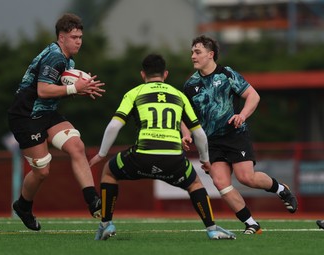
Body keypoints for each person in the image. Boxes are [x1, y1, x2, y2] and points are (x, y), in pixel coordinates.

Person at [89, 53, 236, 241]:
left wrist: (101, 153)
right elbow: (199, 134)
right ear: (165, 74)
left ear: (143, 75)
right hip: (173, 159)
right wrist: (205, 161)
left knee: (109, 171)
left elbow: (115, 125)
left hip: (141, 157)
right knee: (195, 184)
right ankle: (212, 228)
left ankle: (106, 224)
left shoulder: (134, 93)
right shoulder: (179, 96)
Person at [181, 35, 298, 235]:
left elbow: (253, 95)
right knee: (221, 184)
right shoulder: (190, 85)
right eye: (192, 52)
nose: (193, 56)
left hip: (235, 135)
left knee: (246, 178)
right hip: (212, 141)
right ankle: (252, 224)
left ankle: (280, 189)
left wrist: (241, 115)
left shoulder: (227, 74)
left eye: (197, 52)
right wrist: (186, 134)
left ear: (210, 55)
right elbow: (185, 116)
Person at [7, 13, 105, 231]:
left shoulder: (68, 60)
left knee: (76, 146)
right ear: (61, 37)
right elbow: (43, 90)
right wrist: (74, 88)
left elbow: (55, 91)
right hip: (26, 115)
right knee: (42, 170)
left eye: (80, 36)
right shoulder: (56, 57)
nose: (78, 41)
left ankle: (93, 200)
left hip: (47, 113)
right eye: (74, 37)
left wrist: (80, 90)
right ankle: (23, 206)